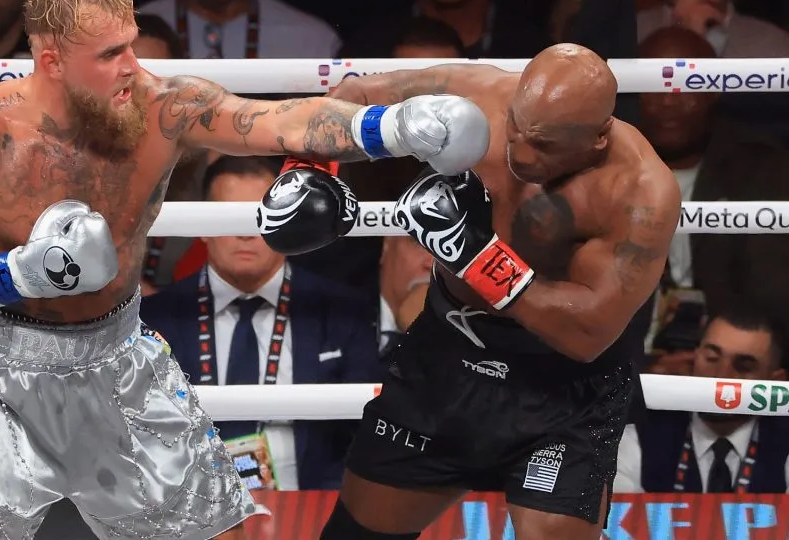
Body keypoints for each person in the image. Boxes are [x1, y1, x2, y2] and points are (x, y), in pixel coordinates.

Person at [0, 0, 490, 539]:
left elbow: (276, 121)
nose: (131, 65)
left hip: (114, 351)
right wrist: (23, 272)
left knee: (213, 528)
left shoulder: (160, 108)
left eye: (129, 45)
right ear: (51, 60)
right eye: (108, 55)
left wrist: (388, 127)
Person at [260, 43, 681, 540]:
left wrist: (472, 256)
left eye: (544, 145)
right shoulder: (482, 95)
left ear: (598, 137)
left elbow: (587, 332)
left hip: (561, 388)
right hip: (449, 355)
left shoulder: (639, 191)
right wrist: (306, 170)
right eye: (519, 130)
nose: (521, 153)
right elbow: (356, 94)